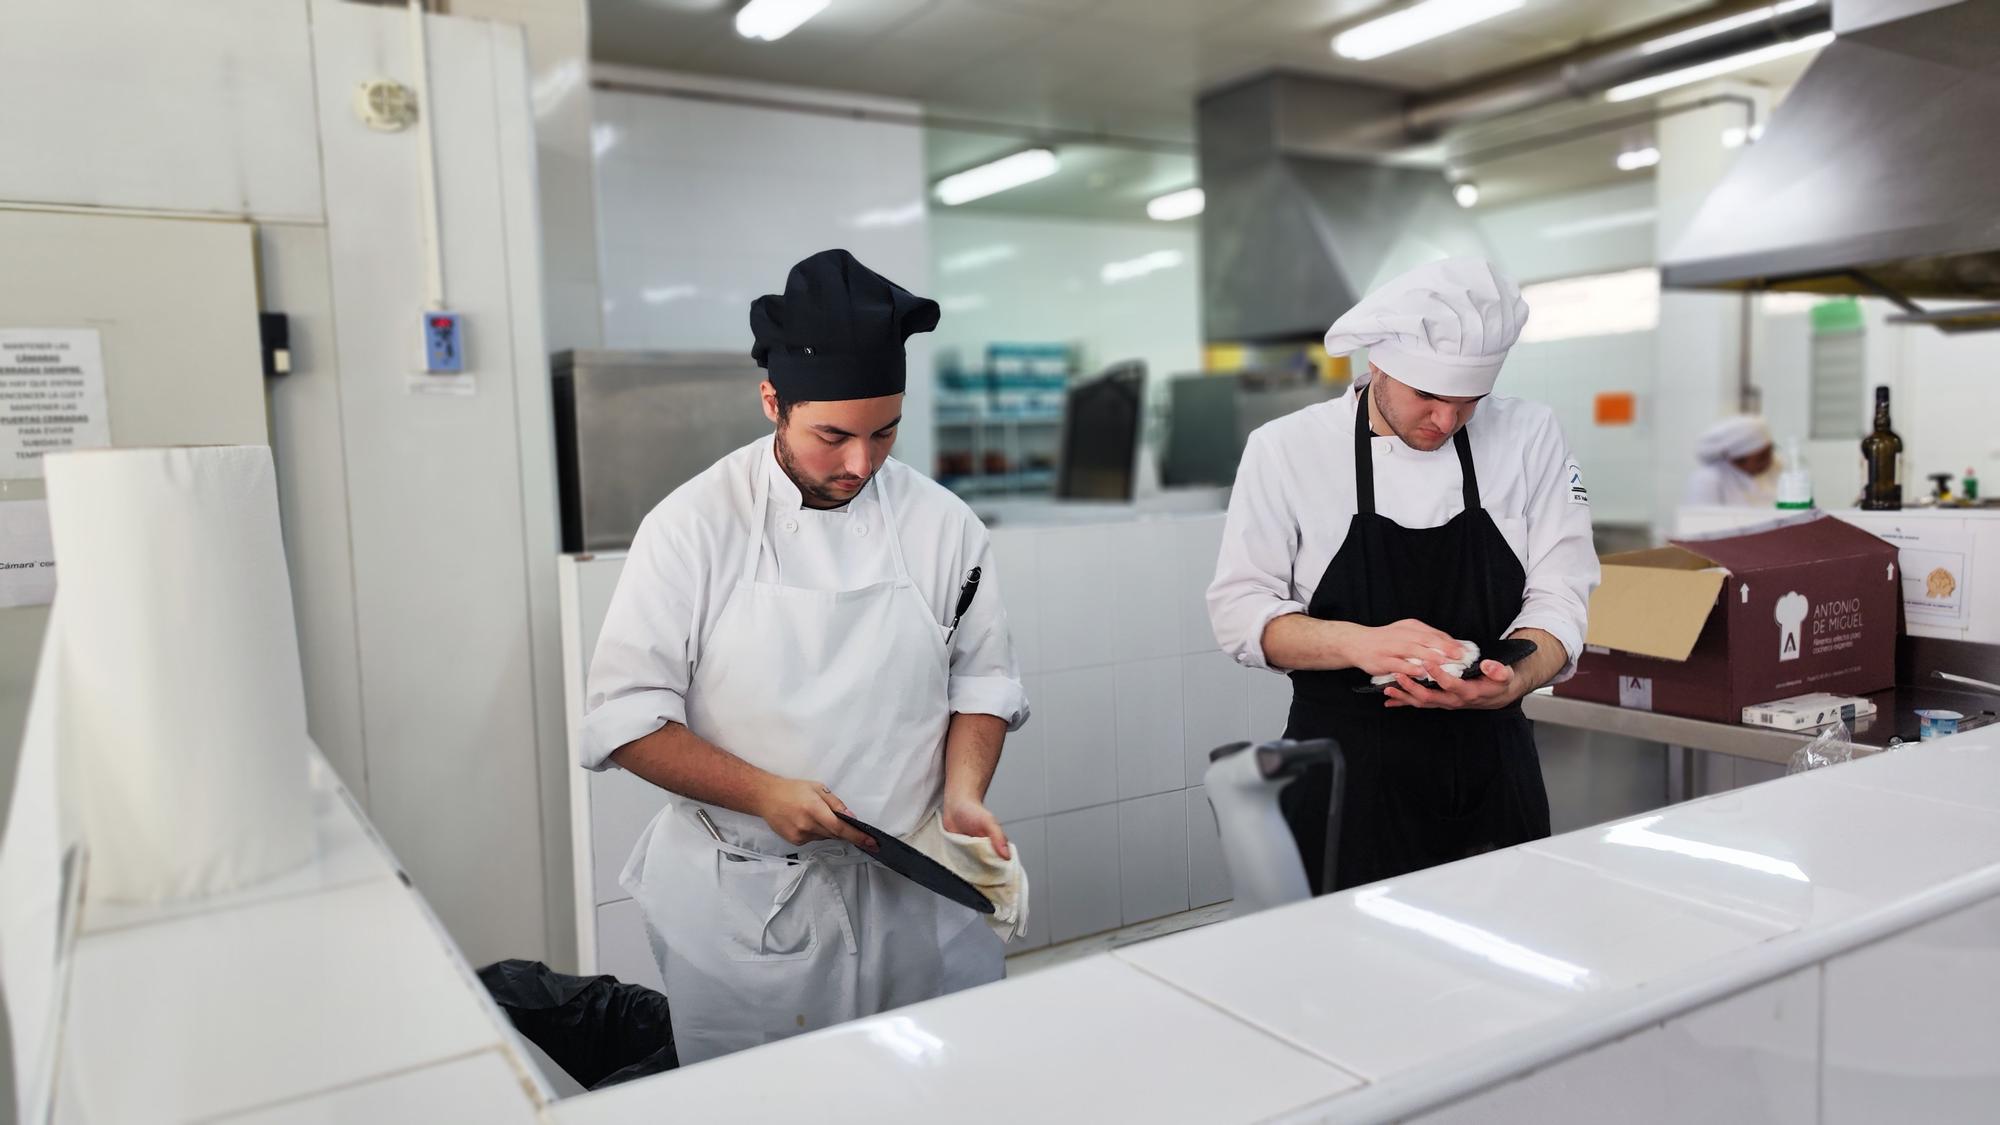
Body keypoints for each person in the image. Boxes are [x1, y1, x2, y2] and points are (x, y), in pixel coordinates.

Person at [580, 248, 1028, 1064]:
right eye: (834, 436)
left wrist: (964, 795)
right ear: (771, 402)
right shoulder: (692, 528)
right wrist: (761, 791)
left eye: (885, 432)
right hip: (753, 908)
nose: (861, 463)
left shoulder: (944, 525)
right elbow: (624, 718)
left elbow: (983, 679)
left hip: (913, 886)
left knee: (939, 1087)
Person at [1207, 257, 1600, 894]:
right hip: (1347, 772)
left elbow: (1562, 593)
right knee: (1351, 977)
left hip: (1492, 763)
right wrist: (1359, 643)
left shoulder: (1532, 434)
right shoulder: (1287, 448)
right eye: (1428, 397)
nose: (1446, 423)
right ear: (1378, 365)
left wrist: (1513, 679)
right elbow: (1239, 610)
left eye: (1469, 402)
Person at [1684, 415, 1777, 507]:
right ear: (1737, 459)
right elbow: (1701, 520)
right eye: (1762, 457)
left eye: (1771, 451)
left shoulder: (1776, 468)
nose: (1769, 460)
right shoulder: (1707, 480)